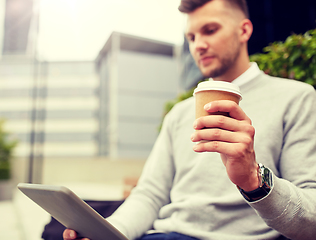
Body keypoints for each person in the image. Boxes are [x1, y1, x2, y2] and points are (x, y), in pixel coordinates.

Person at [64, 0, 316, 239]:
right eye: (191, 37)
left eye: (210, 30)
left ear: (244, 30)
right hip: (163, 235)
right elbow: (150, 195)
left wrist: (253, 179)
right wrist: (108, 233)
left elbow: (311, 220)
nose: (199, 45)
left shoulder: (295, 98)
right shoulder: (179, 114)